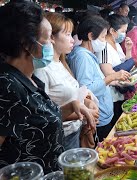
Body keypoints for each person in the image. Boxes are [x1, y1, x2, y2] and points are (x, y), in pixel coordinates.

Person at [0, 2, 94, 174]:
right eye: (49, 37)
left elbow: (34, 123)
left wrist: (69, 107)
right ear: (27, 44)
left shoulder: (31, 77)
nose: (52, 42)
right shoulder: (7, 86)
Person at [34, 12, 99, 150]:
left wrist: (86, 102)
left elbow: (70, 94)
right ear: (51, 37)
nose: (72, 40)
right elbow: (43, 115)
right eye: (68, 34)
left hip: (73, 133)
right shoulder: (42, 69)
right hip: (61, 137)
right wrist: (82, 113)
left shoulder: (62, 63)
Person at [67, 15, 129, 141]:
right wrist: (111, 77)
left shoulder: (86, 54)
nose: (104, 41)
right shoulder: (82, 58)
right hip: (98, 118)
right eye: (102, 37)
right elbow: (87, 90)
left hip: (103, 115)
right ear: (90, 36)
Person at [97, 14, 133, 124]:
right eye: (123, 31)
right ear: (112, 30)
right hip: (111, 96)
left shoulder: (116, 44)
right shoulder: (103, 48)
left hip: (119, 93)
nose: (124, 34)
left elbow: (125, 63)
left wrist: (128, 50)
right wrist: (124, 82)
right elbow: (108, 74)